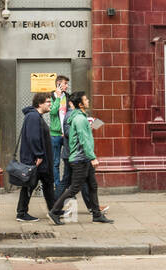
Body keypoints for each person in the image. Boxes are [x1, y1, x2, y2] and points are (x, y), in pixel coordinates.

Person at [48, 91, 113, 224]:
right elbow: (84, 140)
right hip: (80, 159)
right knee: (74, 188)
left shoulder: (81, 117)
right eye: (86, 99)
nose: (88, 101)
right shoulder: (80, 119)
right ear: (80, 104)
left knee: (92, 186)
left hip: (83, 158)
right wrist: (92, 157)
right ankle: (54, 212)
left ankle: (96, 214)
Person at [16, 92, 57, 222]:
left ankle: (54, 210)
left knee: (48, 183)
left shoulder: (36, 116)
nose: (50, 104)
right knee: (29, 185)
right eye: (48, 102)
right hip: (36, 160)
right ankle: (21, 213)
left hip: (40, 160)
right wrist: (39, 155)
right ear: (40, 104)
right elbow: (34, 138)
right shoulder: (33, 117)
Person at [47, 75, 70, 194]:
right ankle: (57, 186)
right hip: (55, 135)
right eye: (65, 83)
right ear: (58, 84)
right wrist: (57, 97)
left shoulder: (68, 97)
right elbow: (53, 112)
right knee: (55, 162)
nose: (67, 86)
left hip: (66, 135)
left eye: (67, 84)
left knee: (68, 161)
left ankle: (66, 186)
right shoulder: (51, 97)